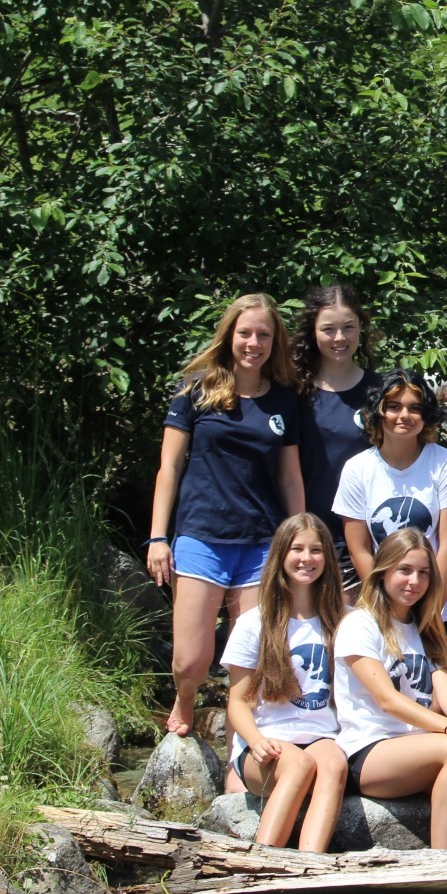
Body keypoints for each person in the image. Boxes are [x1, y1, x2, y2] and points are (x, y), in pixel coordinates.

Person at [147, 292, 305, 737]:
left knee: (249, 656)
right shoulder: (195, 390)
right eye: (246, 333)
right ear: (229, 335)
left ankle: (241, 745)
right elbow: (169, 467)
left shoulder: (283, 401)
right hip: (201, 536)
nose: (254, 343)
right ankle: (185, 699)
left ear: (275, 342)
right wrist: (158, 537)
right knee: (190, 660)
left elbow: (290, 478)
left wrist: (300, 540)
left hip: (262, 543)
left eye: (264, 335)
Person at [334, 529, 447, 849]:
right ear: (383, 571)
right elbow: (387, 700)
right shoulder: (359, 624)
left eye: (423, 573)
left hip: (418, 748)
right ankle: (442, 863)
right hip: (368, 750)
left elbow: (446, 687)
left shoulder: (422, 625)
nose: (414, 581)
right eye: (405, 570)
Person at [222, 513, 348, 851]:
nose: (307, 558)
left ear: (328, 557)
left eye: (316, 550)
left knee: (334, 763)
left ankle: (310, 864)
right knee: (298, 765)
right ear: (281, 555)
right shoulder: (254, 623)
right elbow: (238, 701)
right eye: (297, 549)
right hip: (266, 742)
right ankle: (262, 862)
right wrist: (255, 741)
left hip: (322, 735)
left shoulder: (344, 620)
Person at [333, 369, 447, 671]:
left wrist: (428, 606)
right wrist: (389, 605)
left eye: (414, 408)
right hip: (383, 608)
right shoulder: (357, 469)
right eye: (394, 406)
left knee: (442, 697)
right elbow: (359, 549)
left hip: (441, 609)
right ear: (378, 412)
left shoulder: (445, 464)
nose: (404, 415)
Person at [291, 283, 380, 599]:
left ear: (361, 328)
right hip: (306, 535)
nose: (339, 337)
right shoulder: (293, 390)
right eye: (328, 329)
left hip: (367, 537)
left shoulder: (380, 391)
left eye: (348, 327)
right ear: (313, 331)